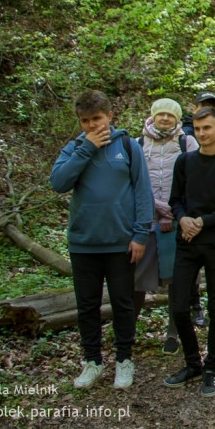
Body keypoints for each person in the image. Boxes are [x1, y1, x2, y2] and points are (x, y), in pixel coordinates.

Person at [50, 90, 153, 390]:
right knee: (87, 305)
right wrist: (85, 149)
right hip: (84, 243)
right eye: (85, 121)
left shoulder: (127, 146)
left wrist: (140, 234)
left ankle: (124, 359)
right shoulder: (73, 149)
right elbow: (58, 183)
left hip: (121, 243)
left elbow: (143, 193)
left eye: (97, 118)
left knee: (123, 303)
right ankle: (92, 361)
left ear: (110, 115)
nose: (93, 126)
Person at [164, 106, 215, 397]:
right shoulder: (184, 162)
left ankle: (211, 368)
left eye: (207, 128)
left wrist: (203, 221)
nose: (202, 134)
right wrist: (183, 218)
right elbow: (175, 200)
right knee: (178, 307)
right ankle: (192, 363)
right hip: (186, 244)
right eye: (197, 129)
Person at [134, 98, 199, 356]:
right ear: (152, 117)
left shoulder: (187, 143)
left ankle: (173, 332)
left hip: (177, 221)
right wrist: (155, 205)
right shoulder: (138, 145)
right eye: (160, 115)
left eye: (169, 116)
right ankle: (127, 330)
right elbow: (134, 182)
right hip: (146, 221)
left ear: (177, 119)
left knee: (177, 279)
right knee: (136, 279)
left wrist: (178, 209)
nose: (164, 119)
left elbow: (195, 178)